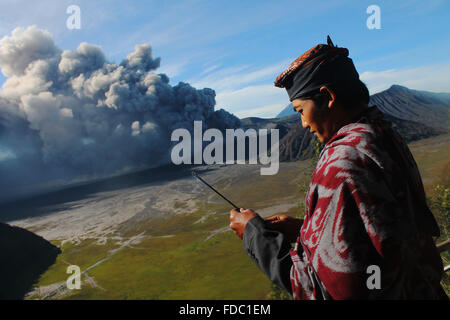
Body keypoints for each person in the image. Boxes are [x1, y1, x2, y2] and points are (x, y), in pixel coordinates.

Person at [229, 36, 447, 299]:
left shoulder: (341, 161)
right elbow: (381, 236)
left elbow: (318, 286)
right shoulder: (381, 135)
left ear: (327, 97)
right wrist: (305, 229)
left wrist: (254, 234)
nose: (303, 124)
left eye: (300, 110)